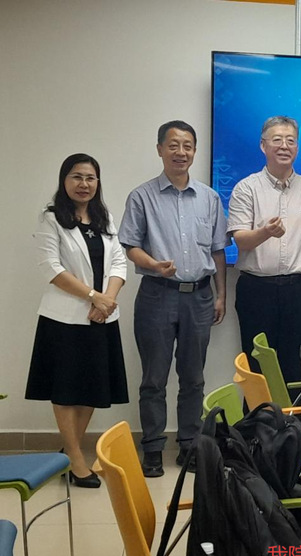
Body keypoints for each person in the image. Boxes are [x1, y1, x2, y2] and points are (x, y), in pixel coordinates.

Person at [118, 120, 229, 477]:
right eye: (174, 145)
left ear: (194, 151)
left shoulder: (209, 198)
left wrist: (220, 295)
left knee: (193, 377)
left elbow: (217, 251)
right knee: (154, 378)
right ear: (160, 149)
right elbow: (130, 245)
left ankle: (189, 446)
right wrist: (152, 264)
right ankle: (152, 448)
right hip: (157, 295)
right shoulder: (142, 196)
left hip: (199, 296)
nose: (181, 152)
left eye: (188, 146)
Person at [26, 153, 129, 488]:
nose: (84, 184)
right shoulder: (51, 218)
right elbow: (51, 268)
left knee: (91, 389)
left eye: (90, 178)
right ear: (64, 180)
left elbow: (119, 262)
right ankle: (75, 458)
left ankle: (69, 453)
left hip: (102, 317)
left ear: (97, 182)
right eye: (77, 177)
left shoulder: (104, 217)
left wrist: (107, 299)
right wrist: (93, 296)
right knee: (66, 389)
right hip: (64, 319)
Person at [227, 116, 301, 390]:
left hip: (300, 290)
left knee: (295, 367)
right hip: (256, 290)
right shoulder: (246, 188)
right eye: (277, 140)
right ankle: (258, 420)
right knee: (257, 367)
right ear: (263, 146)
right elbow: (240, 240)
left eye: (290, 140)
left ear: (297, 147)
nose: (284, 146)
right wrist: (265, 232)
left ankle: (294, 420)